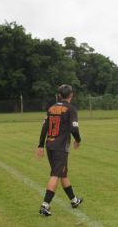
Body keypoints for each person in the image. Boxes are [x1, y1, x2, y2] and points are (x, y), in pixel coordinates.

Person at [37, 84, 83, 216]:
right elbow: (74, 128)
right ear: (71, 95)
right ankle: (45, 205)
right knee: (56, 174)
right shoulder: (71, 109)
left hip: (50, 145)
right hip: (60, 147)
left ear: (59, 95)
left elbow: (45, 127)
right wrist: (78, 140)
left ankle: (74, 200)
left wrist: (40, 145)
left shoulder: (51, 108)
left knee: (62, 173)